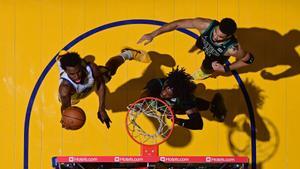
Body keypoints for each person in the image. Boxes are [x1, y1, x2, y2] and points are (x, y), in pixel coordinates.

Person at [57, 48, 149, 129]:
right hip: (74, 94)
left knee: (109, 72)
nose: (77, 76)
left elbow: (100, 85)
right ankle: (62, 57)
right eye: (72, 74)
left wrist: (101, 108)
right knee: (70, 100)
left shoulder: (91, 68)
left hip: (89, 83)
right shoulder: (65, 89)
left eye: (78, 72)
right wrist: (66, 120)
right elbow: (66, 109)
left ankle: (129, 53)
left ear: (81, 67)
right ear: (66, 72)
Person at [138, 17, 254, 80]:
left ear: (229, 36)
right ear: (217, 26)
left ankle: (205, 73)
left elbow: (248, 60)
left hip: (215, 57)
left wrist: (225, 69)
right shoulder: (205, 25)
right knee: (200, 43)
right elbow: (177, 24)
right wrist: (153, 34)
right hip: (203, 43)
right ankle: (202, 48)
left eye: (220, 37)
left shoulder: (233, 49)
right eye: (216, 33)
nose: (215, 37)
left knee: (206, 68)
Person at [140, 67, 227, 130]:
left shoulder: (184, 100)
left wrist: (178, 121)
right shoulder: (157, 83)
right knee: (149, 95)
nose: (164, 94)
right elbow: (145, 93)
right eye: (165, 90)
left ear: (176, 95)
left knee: (191, 103)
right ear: (166, 84)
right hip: (164, 102)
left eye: (168, 95)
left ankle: (213, 106)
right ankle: (210, 103)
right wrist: (140, 103)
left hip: (177, 107)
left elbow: (198, 124)